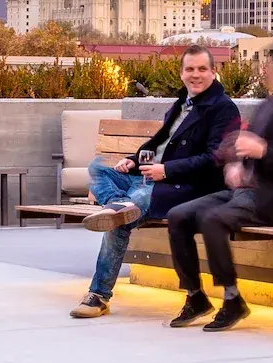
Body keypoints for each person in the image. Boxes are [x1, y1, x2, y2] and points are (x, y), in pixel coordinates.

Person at [70, 45, 239, 319]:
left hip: (184, 186)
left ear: (213, 72)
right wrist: (132, 161)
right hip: (150, 177)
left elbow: (214, 160)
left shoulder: (223, 109)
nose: (195, 75)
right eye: (190, 69)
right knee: (97, 167)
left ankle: (98, 295)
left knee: (121, 219)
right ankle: (118, 204)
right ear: (182, 73)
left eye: (202, 69)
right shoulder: (181, 104)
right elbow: (157, 144)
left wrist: (167, 171)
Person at [165, 41, 273, 331]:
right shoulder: (268, 104)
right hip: (245, 191)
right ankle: (195, 296)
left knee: (212, 220)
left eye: (272, 64)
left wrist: (266, 151)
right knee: (179, 215)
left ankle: (232, 299)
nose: (267, 69)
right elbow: (248, 147)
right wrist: (237, 164)